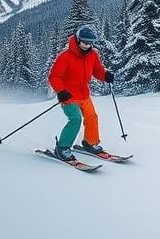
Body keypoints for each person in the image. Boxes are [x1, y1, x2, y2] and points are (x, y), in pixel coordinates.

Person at [47, 24, 115, 161]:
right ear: (78, 40)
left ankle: (90, 143)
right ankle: (62, 148)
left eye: (90, 43)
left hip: (84, 95)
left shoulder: (93, 55)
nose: (87, 46)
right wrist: (61, 91)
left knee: (92, 117)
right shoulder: (65, 57)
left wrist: (105, 75)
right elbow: (54, 76)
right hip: (68, 96)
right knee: (75, 119)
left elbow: (97, 70)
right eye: (85, 42)